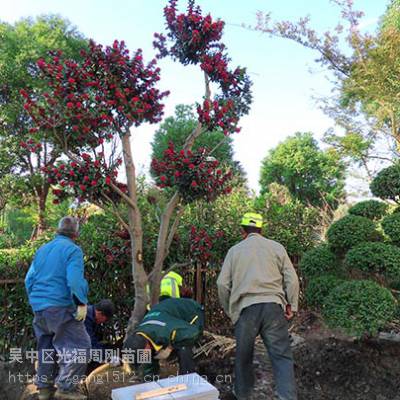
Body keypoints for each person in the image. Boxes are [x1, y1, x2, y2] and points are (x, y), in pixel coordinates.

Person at [217, 212, 300, 400]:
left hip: (246, 309)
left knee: (243, 357)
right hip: (273, 307)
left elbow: (222, 284)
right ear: (261, 230)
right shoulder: (276, 248)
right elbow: (292, 280)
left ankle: (243, 395)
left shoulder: (235, 251)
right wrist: (291, 306)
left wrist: (231, 311)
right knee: (282, 357)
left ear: (242, 231)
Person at [25, 217, 90, 400]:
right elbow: (74, 280)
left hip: (40, 308)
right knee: (80, 346)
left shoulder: (42, 250)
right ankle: (66, 388)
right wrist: (81, 303)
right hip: (60, 306)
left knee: (46, 347)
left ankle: (44, 390)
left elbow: (28, 280)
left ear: (57, 230)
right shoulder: (73, 250)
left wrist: (37, 301)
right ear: (76, 234)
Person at [123, 297, 204, 379]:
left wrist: (170, 346)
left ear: (145, 348)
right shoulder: (140, 333)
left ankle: (187, 377)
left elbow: (193, 332)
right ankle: (150, 376)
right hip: (167, 313)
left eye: (142, 358)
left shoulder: (168, 332)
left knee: (184, 346)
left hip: (191, 311)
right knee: (152, 351)